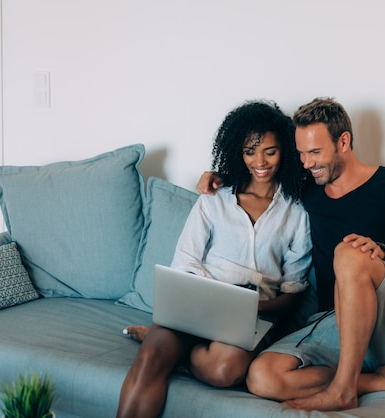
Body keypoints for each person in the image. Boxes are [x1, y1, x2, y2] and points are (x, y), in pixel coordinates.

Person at [197, 97, 385, 411]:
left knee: (349, 253)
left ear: (343, 141)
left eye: (315, 152)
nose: (307, 163)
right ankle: (379, 381)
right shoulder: (307, 187)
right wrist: (218, 177)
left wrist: (382, 253)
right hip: (337, 322)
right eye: (300, 153)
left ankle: (343, 391)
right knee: (261, 377)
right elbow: (261, 172)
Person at [116, 100, 313, 418]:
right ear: (238, 151)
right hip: (197, 304)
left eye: (270, 151)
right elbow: (186, 261)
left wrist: (244, 309)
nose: (259, 162)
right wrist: (207, 303)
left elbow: (292, 292)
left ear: (285, 151)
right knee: (151, 360)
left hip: (253, 315)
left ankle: (175, 354)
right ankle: (162, 346)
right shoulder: (214, 199)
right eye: (250, 151)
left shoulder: (297, 211)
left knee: (225, 371)